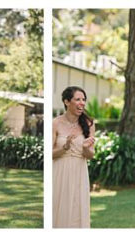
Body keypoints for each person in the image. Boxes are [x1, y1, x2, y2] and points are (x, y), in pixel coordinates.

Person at [52, 86, 96, 228]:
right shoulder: (55, 123)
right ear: (66, 102)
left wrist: (85, 148)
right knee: (58, 209)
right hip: (59, 172)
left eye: (83, 100)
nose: (82, 103)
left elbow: (90, 155)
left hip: (79, 173)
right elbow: (49, 154)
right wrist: (64, 147)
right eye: (77, 99)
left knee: (77, 211)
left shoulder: (89, 124)